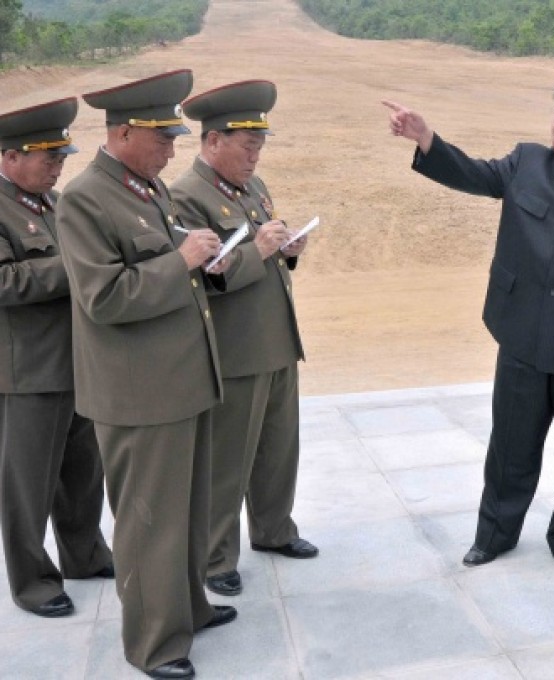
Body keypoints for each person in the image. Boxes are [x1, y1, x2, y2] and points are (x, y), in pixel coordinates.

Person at [383, 73, 554, 574]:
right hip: (523, 336)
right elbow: (473, 173)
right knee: (510, 446)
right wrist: (426, 138)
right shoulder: (526, 162)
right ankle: (494, 535)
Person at [56, 70, 236, 680]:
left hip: (181, 378)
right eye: (161, 137)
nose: (172, 148)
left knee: (187, 509)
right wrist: (179, 262)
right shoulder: (86, 198)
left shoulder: (147, 189)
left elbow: (169, 268)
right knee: (148, 521)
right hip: (139, 391)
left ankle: (189, 609)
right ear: (124, 131)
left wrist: (204, 262)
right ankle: (154, 644)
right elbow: (102, 297)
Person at [170, 79, 317, 599]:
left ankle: (275, 530)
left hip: (276, 339)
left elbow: (264, 252)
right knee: (228, 460)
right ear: (212, 143)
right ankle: (215, 558)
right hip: (234, 350)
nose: (256, 154)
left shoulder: (251, 187)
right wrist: (259, 248)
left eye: (260, 144)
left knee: (279, 449)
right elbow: (213, 273)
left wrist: (288, 246)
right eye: (246, 144)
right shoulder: (187, 196)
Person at [0, 97, 114, 619]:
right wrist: (76, 265)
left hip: (77, 362)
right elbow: (6, 282)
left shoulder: (53, 203)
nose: (57, 166)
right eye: (46, 157)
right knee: (28, 486)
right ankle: (32, 582)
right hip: (28, 373)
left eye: (61, 157)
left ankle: (84, 554)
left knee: (83, 473)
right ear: (9, 157)